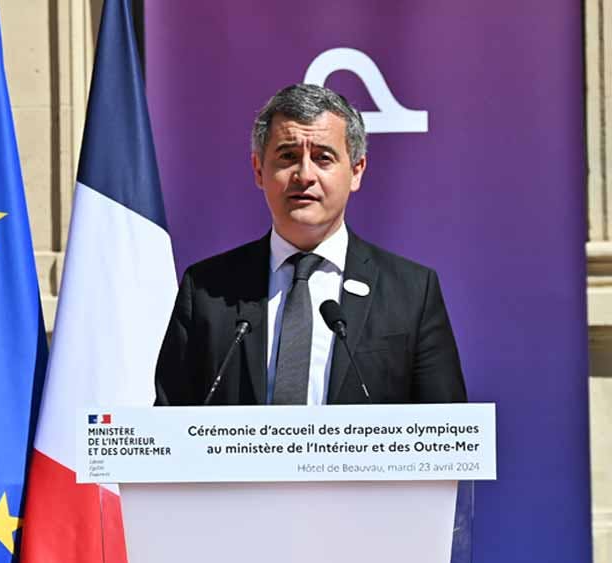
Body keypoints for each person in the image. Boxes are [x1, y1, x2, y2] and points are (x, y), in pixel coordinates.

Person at [155, 83, 466, 406]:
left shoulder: (411, 292)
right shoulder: (207, 290)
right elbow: (169, 426)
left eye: (323, 158)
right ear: (259, 170)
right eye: (288, 156)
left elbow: (446, 433)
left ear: (356, 171)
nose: (304, 175)